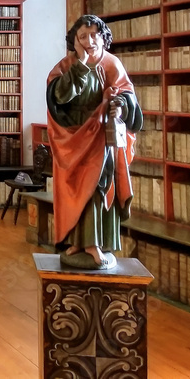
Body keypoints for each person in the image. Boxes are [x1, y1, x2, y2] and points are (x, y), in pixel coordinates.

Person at [46, 15, 143, 269]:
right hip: (74, 138)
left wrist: (120, 106)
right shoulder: (66, 66)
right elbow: (58, 97)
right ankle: (78, 242)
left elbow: (127, 96)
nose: (89, 41)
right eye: (82, 36)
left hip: (101, 138)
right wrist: (81, 64)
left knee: (97, 187)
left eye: (94, 35)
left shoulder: (111, 63)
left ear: (103, 37)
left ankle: (95, 244)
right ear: (75, 41)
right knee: (75, 189)